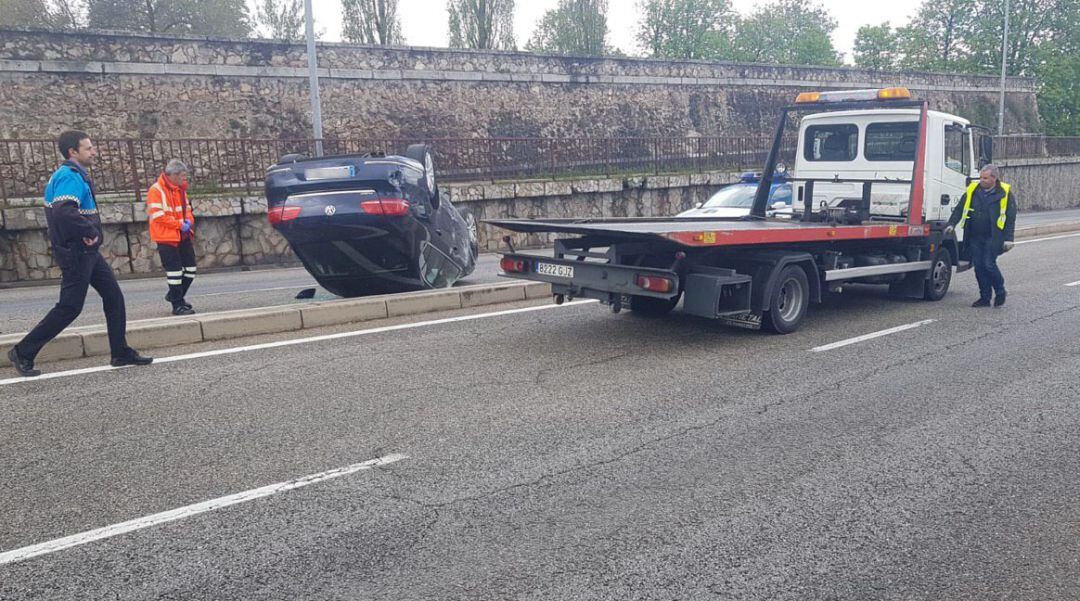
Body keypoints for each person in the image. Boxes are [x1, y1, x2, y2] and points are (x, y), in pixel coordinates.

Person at [6, 131, 153, 377]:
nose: (94, 151)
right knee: (70, 307)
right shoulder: (69, 176)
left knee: (113, 297)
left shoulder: (71, 175)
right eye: (88, 148)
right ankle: (22, 352)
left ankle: (120, 351)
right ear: (73, 152)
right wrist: (89, 231)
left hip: (86, 251)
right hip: (77, 252)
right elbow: (64, 211)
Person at [945, 164, 1018, 308]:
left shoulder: (1005, 192)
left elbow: (1010, 217)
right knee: (978, 267)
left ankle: (1000, 291)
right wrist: (952, 224)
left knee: (988, 264)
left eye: (985, 178)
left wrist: (1009, 239)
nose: (981, 181)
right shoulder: (973, 189)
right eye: (980, 177)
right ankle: (984, 297)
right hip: (975, 235)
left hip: (994, 236)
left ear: (994, 178)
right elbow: (960, 208)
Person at [147, 159, 197, 315]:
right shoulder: (156, 190)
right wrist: (180, 224)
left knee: (190, 269)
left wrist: (188, 220)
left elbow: (187, 209)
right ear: (174, 175)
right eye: (182, 176)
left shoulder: (180, 190)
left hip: (182, 235)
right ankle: (177, 304)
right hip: (166, 237)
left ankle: (175, 295)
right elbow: (158, 216)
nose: (185, 179)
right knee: (174, 271)